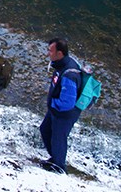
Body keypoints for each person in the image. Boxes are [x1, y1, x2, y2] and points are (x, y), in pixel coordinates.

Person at [40, 37, 83, 173]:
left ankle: (59, 168)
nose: (48, 53)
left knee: (58, 139)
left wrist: (52, 103)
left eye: (50, 51)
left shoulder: (69, 75)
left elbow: (67, 103)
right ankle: (55, 159)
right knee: (45, 130)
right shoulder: (60, 65)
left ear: (59, 53)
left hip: (63, 113)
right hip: (55, 110)